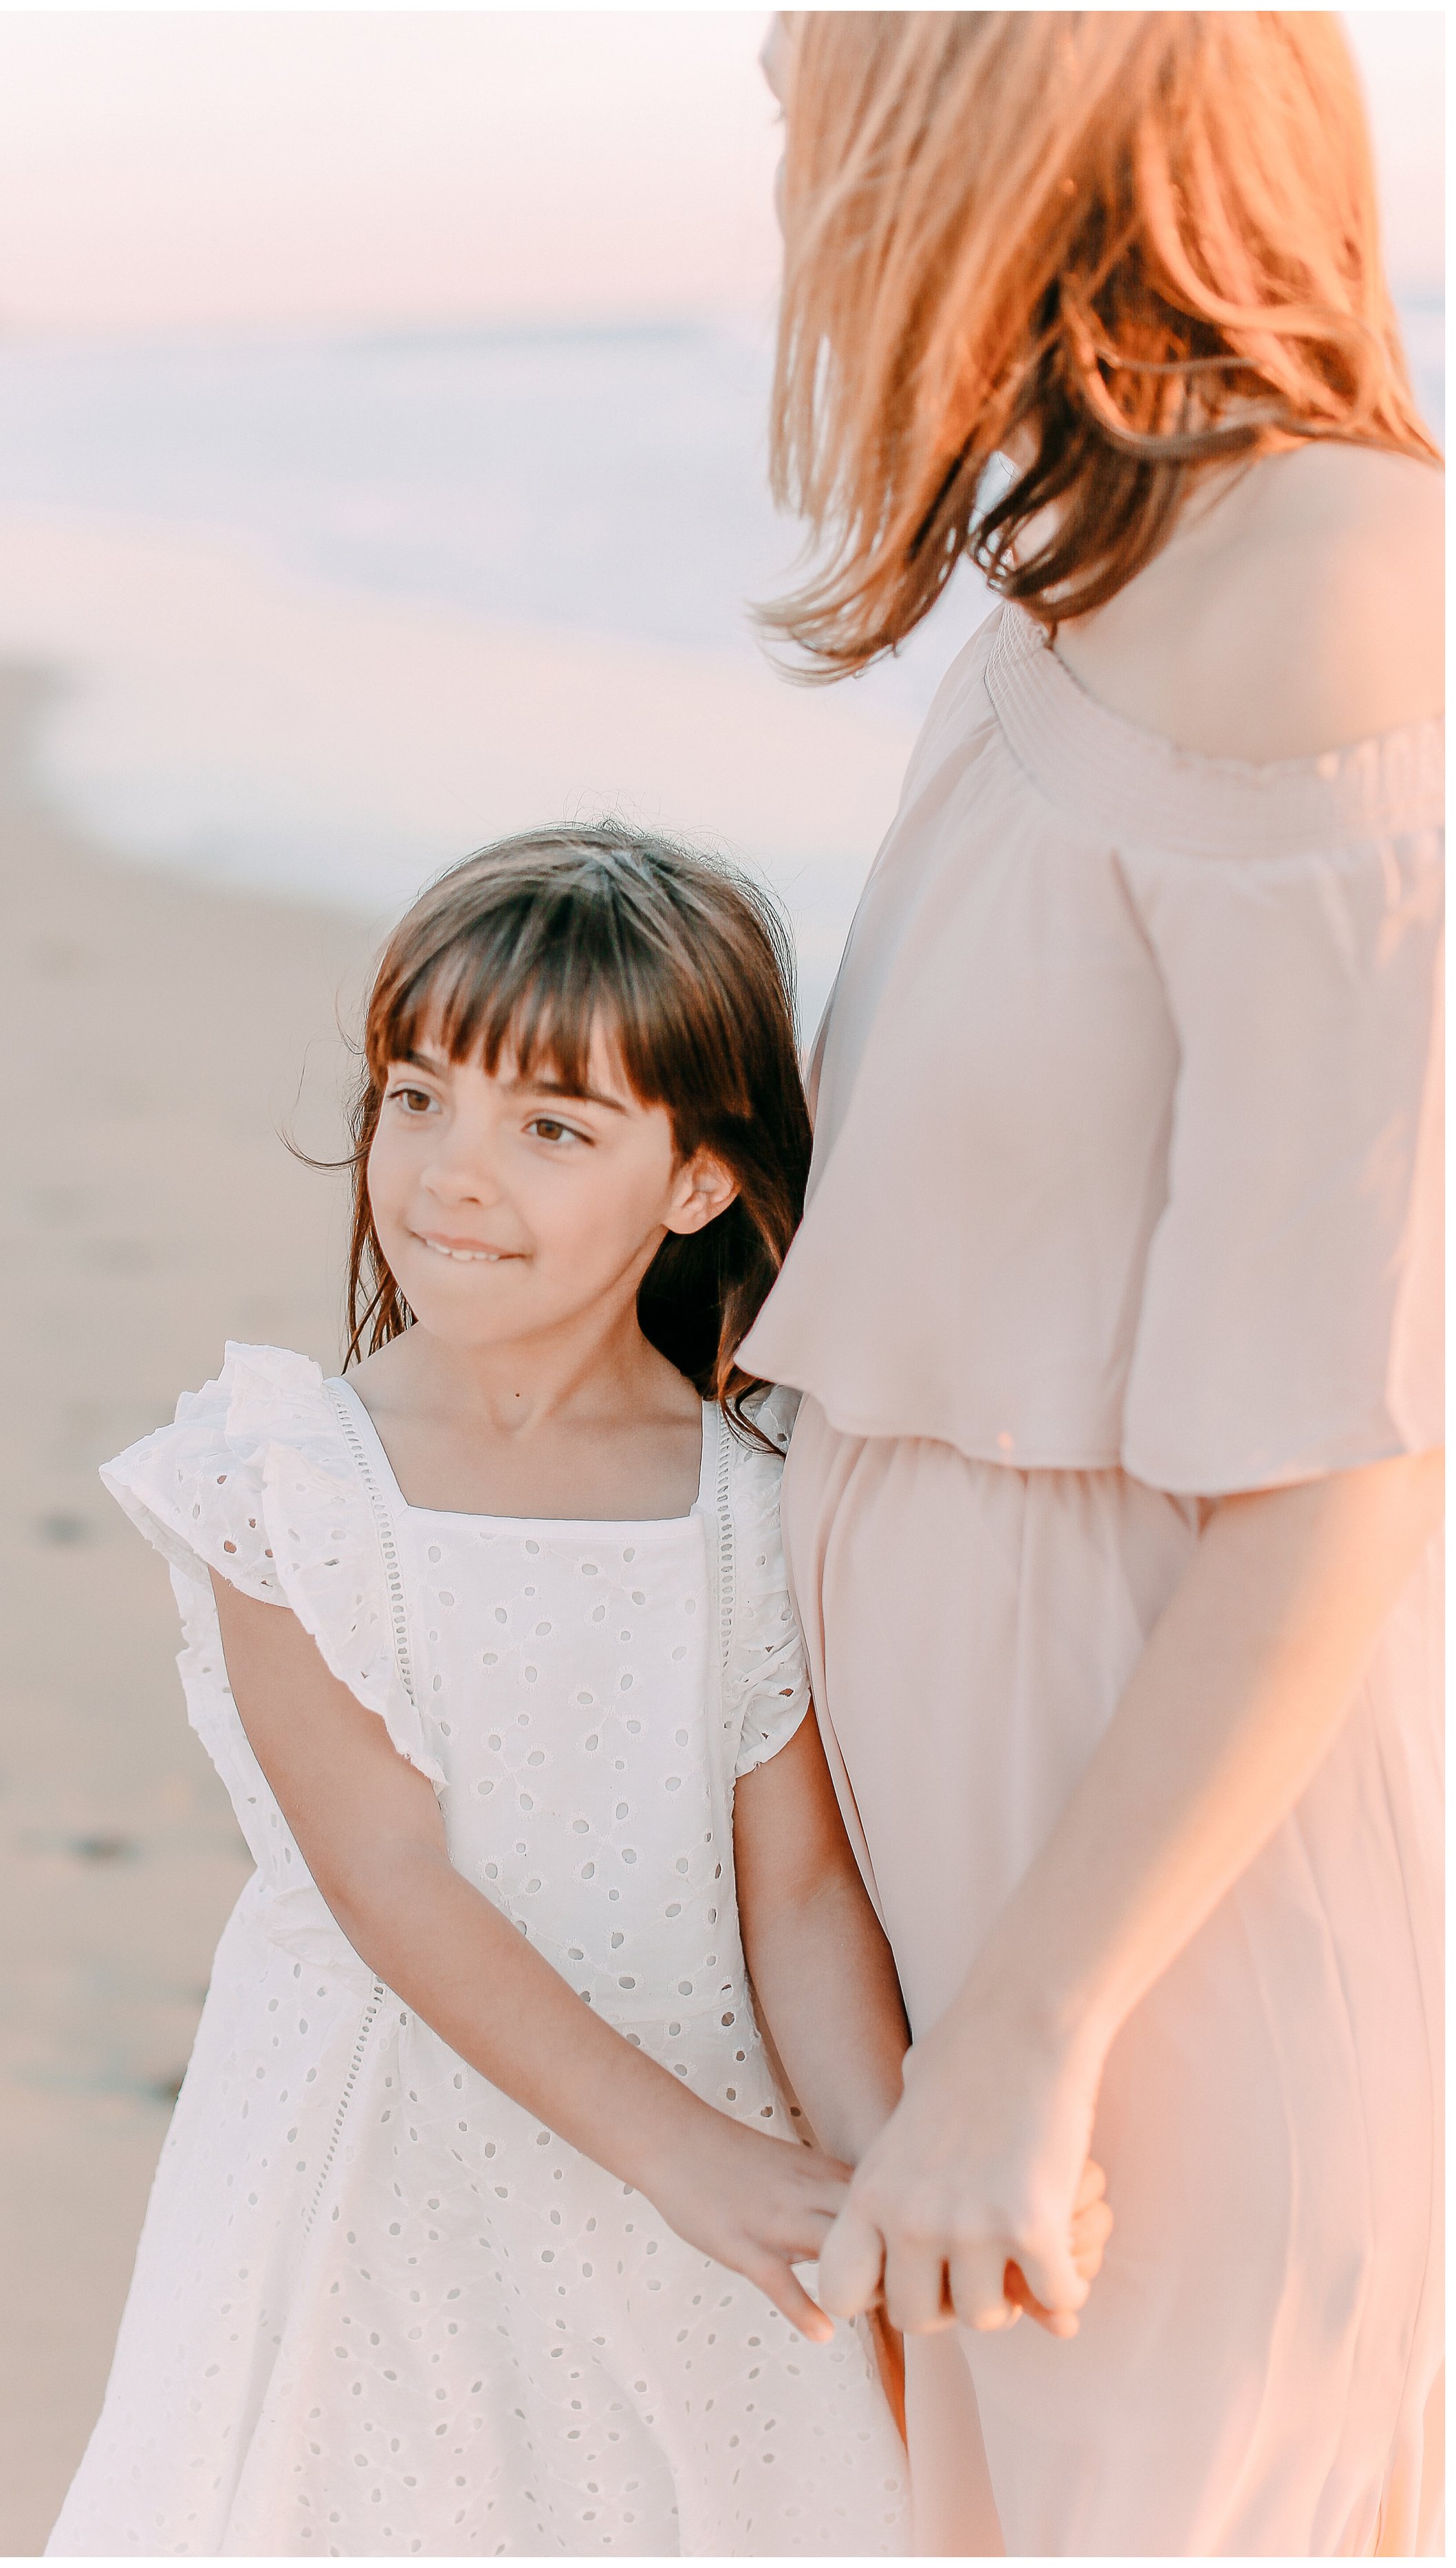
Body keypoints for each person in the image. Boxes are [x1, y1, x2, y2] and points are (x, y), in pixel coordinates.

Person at [45, 824, 1109, 2557]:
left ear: (693, 1177)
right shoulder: (289, 1482)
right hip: (384, 2147)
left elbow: (800, 1901)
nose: (453, 1172)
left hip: (712, 2146)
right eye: (416, 1095)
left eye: (549, 1126)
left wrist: (883, 2174)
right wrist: (688, 2161)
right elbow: (387, 1880)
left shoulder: (753, 1505)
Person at [740, 12, 1444, 2557]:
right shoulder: (1099, 582)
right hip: (966, 1849)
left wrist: (1035, 2029)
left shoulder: (1342, 589)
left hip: (1154, 1919)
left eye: (832, 59)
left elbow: (1347, 1457)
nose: (777, 85)